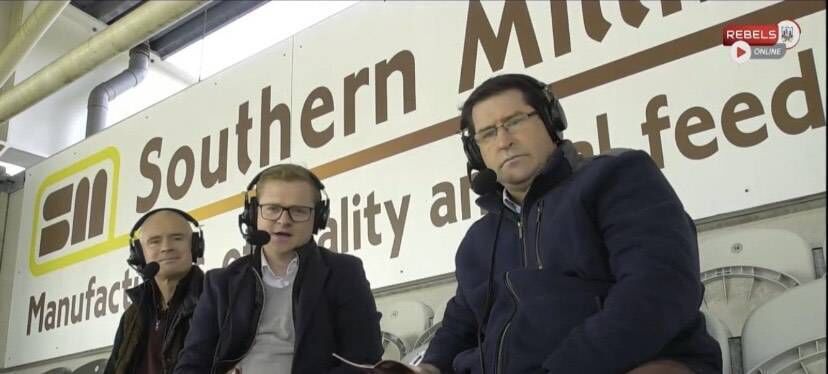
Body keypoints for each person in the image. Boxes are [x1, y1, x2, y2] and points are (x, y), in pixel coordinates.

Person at [418, 74, 722, 373]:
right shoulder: (479, 240)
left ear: (551, 123)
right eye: (487, 133)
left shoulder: (617, 178)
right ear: (477, 153)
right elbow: (461, 324)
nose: (504, 141)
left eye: (514, 122)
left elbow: (659, 287)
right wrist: (430, 367)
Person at [175, 163, 383, 374]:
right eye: (273, 209)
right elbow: (191, 365)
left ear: (318, 219)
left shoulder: (345, 272)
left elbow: (364, 360)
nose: (284, 221)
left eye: (299, 211)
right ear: (252, 214)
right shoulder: (221, 283)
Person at [104, 208, 206, 374]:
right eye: (155, 241)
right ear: (139, 254)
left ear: (195, 246)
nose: (166, 247)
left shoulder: (216, 300)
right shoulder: (131, 316)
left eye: (177, 238)